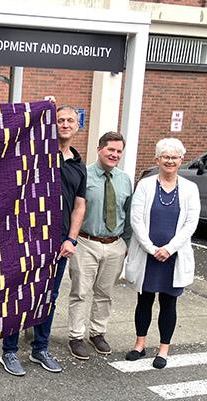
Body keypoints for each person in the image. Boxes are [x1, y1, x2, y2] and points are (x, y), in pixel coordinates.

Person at [0, 104, 86, 376]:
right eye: (60, 120)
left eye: (70, 120)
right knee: (19, 293)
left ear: (77, 126)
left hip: (60, 241)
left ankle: (40, 348)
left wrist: (71, 239)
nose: (65, 124)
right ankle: (9, 352)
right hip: (29, 237)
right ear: (52, 124)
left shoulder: (78, 165)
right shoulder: (36, 155)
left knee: (49, 296)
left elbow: (79, 206)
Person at [124, 138, 200, 369]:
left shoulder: (190, 188)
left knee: (169, 303)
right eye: (165, 157)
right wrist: (151, 248)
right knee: (144, 300)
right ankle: (139, 344)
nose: (170, 161)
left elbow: (190, 223)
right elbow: (136, 220)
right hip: (148, 255)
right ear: (157, 160)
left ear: (181, 160)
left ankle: (163, 350)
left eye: (174, 157)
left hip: (173, 257)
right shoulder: (146, 185)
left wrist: (168, 249)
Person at [67, 131, 132, 360]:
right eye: (110, 149)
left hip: (114, 244)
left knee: (105, 293)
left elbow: (128, 213)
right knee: (81, 292)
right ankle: (76, 336)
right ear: (99, 149)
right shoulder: (84, 174)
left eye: (118, 151)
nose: (114, 154)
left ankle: (98, 333)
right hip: (86, 242)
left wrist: (126, 245)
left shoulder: (124, 179)